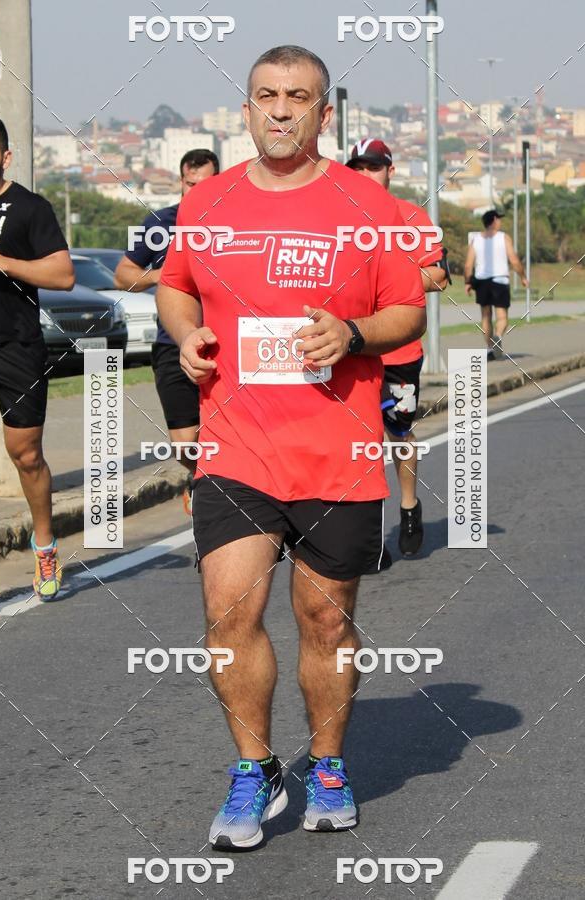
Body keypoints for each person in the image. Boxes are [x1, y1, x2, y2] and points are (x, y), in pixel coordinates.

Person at [157, 45, 426, 850]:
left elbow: (408, 315)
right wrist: (186, 335)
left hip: (334, 452)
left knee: (325, 623)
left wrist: (350, 333)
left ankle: (331, 765)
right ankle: (254, 769)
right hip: (236, 447)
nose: (281, 109)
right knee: (226, 611)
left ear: (324, 113)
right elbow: (176, 285)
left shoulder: (367, 207)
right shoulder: (206, 201)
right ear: (247, 109)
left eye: (298, 97)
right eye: (267, 95)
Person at [0, 116, 74, 614]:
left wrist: (1, 262)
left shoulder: (30, 208)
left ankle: (44, 547)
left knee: (26, 455)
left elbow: (62, 275)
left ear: (6, 157)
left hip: (18, 347)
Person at [346, 139, 449, 556]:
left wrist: (386, 279)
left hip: (399, 354)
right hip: (351, 349)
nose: (366, 175)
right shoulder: (336, 218)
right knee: (357, 440)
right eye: (358, 168)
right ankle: (370, 532)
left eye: (374, 167)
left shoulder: (411, 217)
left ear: (390, 171)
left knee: (398, 433)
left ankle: (409, 505)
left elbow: (439, 276)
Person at [114, 149, 219, 513]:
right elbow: (123, 275)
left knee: (227, 433)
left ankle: (216, 489)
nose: (195, 192)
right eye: (190, 185)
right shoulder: (161, 224)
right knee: (184, 442)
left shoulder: (233, 224)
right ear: (180, 182)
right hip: (170, 343)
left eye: (203, 185)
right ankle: (200, 475)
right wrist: (168, 276)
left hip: (223, 346)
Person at [464, 209, 528, 360]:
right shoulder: (504, 238)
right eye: (499, 219)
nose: (500, 222)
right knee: (502, 317)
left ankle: (489, 348)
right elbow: (514, 260)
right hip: (500, 281)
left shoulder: (476, 240)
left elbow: (468, 265)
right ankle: (498, 336)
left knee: (485, 317)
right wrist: (523, 277)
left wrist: (467, 282)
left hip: (481, 282)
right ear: (493, 220)